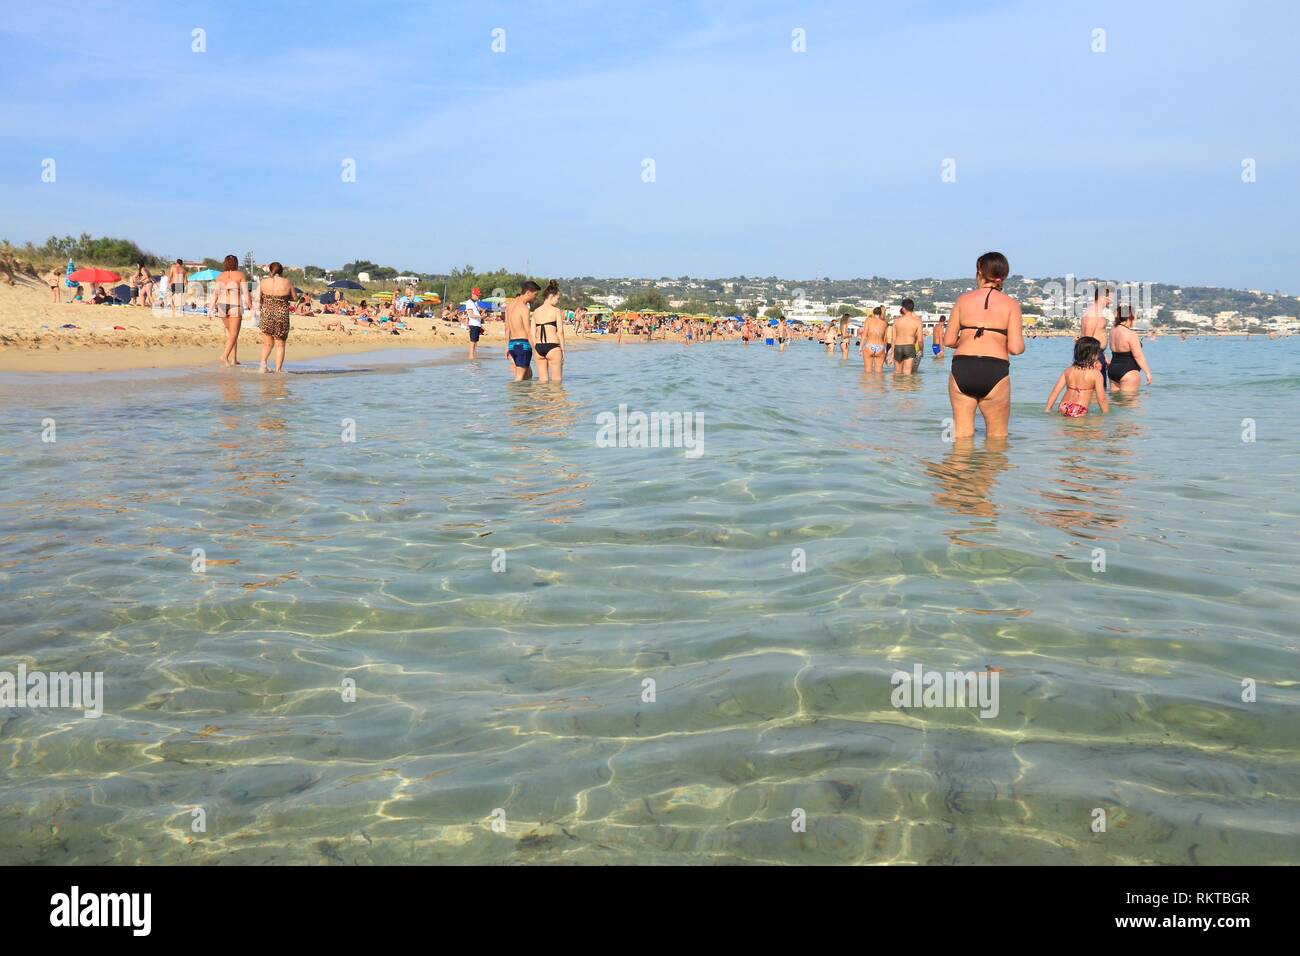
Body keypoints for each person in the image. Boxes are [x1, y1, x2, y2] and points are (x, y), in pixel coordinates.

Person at [942, 251, 1025, 439]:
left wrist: (968, 339)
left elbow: (948, 341)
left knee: (961, 436)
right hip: (994, 369)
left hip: (963, 367)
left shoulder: (963, 300)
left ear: (979, 272)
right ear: (1003, 275)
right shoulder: (1011, 304)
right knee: (997, 438)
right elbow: (1015, 348)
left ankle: (956, 467)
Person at [1045, 336, 1109, 417]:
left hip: (1063, 406)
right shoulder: (1096, 374)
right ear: (1093, 355)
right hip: (1079, 409)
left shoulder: (1068, 370)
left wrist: (1047, 409)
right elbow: (1101, 399)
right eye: (1098, 352)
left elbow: (1055, 392)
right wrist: (1106, 415)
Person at [212, 254, 250, 367]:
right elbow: (246, 293)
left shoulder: (220, 276)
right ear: (236, 263)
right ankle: (224, 356)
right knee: (234, 333)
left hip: (222, 305)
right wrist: (252, 307)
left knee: (232, 334)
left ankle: (234, 359)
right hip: (235, 305)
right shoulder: (240, 275)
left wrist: (210, 308)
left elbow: (216, 293)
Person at [258, 261, 293, 372]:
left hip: (267, 313)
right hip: (281, 314)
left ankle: (263, 365)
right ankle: (278, 369)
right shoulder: (287, 282)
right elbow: (295, 297)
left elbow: (258, 298)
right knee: (280, 344)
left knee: (267, 343)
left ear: (270, 270)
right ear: (281, 270)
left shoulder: (263, 282)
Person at [1107, 305, 1153, 390]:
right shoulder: (1131, 334)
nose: (1136, 319)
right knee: (1129, 402)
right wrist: (1148, 373)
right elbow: (1138, 356)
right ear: (1130, 317)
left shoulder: (1112, 330)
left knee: (1115, 402)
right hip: (1129, 372)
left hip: (1112, 370)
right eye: (1135, 316)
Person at [530, 280, 567, 383]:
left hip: (538, 347)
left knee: (543, 382)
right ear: (551, 296)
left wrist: (535, 349)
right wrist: (563, 350)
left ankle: (543, 399)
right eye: (558, 299)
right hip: (553, 347)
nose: (558, 301)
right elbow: (560, 332)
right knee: (557, 382)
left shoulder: (536, 312)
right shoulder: (556, 311)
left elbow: (532, 334)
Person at [505, 280, 540, 381]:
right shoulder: (524, 309)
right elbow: (528, 331)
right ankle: (512, 396)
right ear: (528, 292)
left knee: (528, 375)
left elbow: (507, 328)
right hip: (523, 345)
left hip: (512, 344)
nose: (535, 297)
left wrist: (507, 346)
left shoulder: (509, 307)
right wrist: (535, 349)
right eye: (535, 294)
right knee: (519, 378)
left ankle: (522, 396)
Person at [1080, 283, 1111, 387]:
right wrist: (1095, 360)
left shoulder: (1095, 312)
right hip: (1093, 357)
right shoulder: (1093, 314)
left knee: (1098, 391)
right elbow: (1087, 340)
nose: (1112, 300)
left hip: (1096, 354)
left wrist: (1103, 354)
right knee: (1096, 391)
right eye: (1110, 297)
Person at [890, 299, 924, 374]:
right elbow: (920, 340)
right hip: (909, 347)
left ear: (903, 308)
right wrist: (921, 350)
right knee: (907, 373)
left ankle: (896, 385)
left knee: (897, 372)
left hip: (898, 347)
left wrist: (892, 351)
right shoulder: (918, 322)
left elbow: (893, 338)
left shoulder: (896, 321)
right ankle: (906, 386)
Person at [860, 306, 889, 371]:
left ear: (873, 312)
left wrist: (860, 348)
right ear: (881, 313)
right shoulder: (884, 323)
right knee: (879, 372)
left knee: (868, 371)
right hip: (880, 347)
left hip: (869, 345)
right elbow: (885, 338)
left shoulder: (868, 320)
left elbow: (864, 335)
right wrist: (885, 351)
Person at [465, 286, 484, 359]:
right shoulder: (469, 302)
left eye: (479, 295)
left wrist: (482, 314)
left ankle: (473, 355)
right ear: (473, 294)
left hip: (477, 324)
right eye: (477, 295)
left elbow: (476, 312)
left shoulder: (475, 303)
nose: (478, 297)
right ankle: (471, 356)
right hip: (473, 324)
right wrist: (480, 317)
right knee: (472, 341)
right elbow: (470, 314)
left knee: (475, 341)